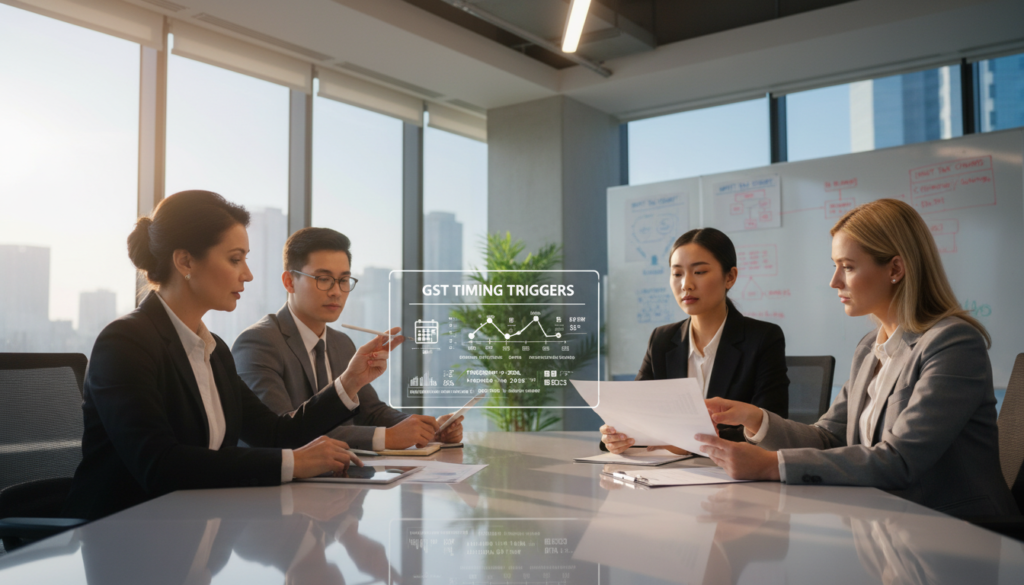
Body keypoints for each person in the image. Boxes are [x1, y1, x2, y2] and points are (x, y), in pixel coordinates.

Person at [64, 191, 400, 520]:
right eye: (235, 259)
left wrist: (351, 380)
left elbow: (274, 433)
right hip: (128, 536)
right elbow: (159, 464)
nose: (247, 274)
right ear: (185, 261)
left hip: (201, 529)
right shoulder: (126, 342)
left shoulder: (214, 350)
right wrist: (294, 463)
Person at [695, 198, 1017, 518]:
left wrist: (772, 465)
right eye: (835, 266)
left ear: (895, 268)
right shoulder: (869, 348)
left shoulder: (953, 344)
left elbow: (899, 461)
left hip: (957, 533)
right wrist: (756, 418)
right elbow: (829, 438)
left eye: (847, 267)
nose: (834, 281)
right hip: (884, 521)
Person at [232, 227, 463, 451]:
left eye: (344, 280)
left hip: (342, 480)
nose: (336, 292)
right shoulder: (258, 342)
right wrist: (386, 437)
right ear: (289, 282)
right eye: (323, 279)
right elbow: (284, 431)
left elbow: (371, 412)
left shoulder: (341, 343)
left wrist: (428, 427)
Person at [601, 227, 789, 453]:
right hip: (667, 478)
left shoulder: (763, 339)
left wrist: (684, 444)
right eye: (677, 274)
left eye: (699, 272)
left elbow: (770, 430)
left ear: (730, 277)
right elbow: (637, 418)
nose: (686, 284)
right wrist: (616, 436)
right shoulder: (662, 340)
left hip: (736, 479)